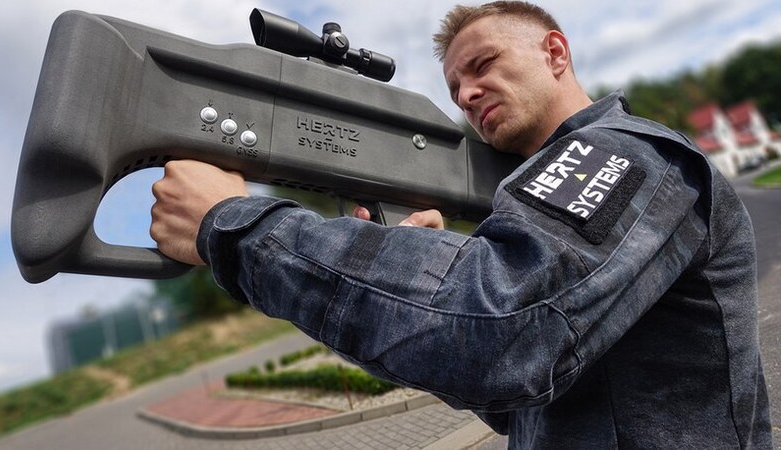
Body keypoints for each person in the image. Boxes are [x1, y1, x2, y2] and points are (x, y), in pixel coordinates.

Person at [150, 1, 772, 447]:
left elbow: (500, 336)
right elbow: (512, 392)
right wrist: (419, 275)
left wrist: (235, 226)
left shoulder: (630, 154)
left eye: (484, 64)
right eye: (454, 89)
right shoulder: (534, 195)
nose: (468, 94)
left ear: (555, 52)